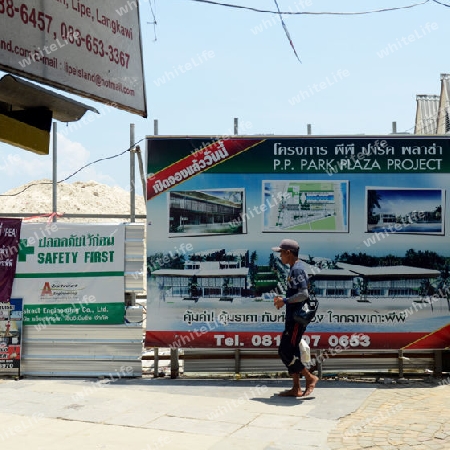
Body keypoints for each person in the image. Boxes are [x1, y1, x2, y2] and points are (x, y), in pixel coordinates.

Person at [272, 238, 318, 397]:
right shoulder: (294, 268)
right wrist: (283, 300)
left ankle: (310, 378)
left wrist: (284, 300)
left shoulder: (297, 269)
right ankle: (296, 388)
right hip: (293, 318)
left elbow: (303, 294)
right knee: (292, 351)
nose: (280, 257)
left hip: (296, 320)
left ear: (288, 253)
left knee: (284, 351)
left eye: (281, 253)